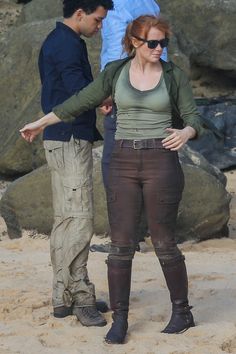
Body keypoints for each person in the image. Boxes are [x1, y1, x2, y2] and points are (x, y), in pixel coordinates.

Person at [20, 15, 206, 344]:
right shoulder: (115, 73)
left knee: (164, 243)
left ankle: (182, 312)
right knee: (120, 246)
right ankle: (119, 320)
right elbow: (78, 103)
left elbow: (192, 116)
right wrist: (41, 123)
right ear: (134, 42)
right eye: (153, 43)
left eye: (164, 43)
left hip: (161, 160)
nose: (159, 49)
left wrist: (186, 131)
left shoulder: (173, 76)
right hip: (121, 161)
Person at [35, 0, 114, 327]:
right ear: (80, 13)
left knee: (65, 219)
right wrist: (107, 97)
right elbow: (79, 91)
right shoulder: (67, 45)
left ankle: (61, 296)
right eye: (97, 20)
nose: (100, 27)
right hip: (69, 138)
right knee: (79, 218)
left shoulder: (57, 41)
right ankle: (80, 296)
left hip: (59, 137)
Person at [90, 0, 167, 253]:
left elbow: (115, 48)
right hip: (156, 88)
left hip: (126, 93)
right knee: (150, 162)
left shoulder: (116, 6)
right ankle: (151, 235)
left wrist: (108, 93)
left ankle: (124, 240)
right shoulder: (148, 3)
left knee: (114, 166)